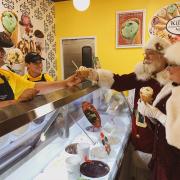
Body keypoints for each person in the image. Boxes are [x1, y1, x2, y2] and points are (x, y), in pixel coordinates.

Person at [138, 42, 180, 180]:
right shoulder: (171, 87)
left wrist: (157, 114)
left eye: (172, 65)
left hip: (174, 162)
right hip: (162, 155)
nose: (168, 69)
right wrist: (150, 112)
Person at [0, 48, 81, 108]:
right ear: (27, 65)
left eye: (40, 62)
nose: (39, 65)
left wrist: (66, 83)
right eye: (35, 63)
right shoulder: (23, 78)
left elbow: (36, 86)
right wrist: (17, 102)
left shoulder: (7, 75)